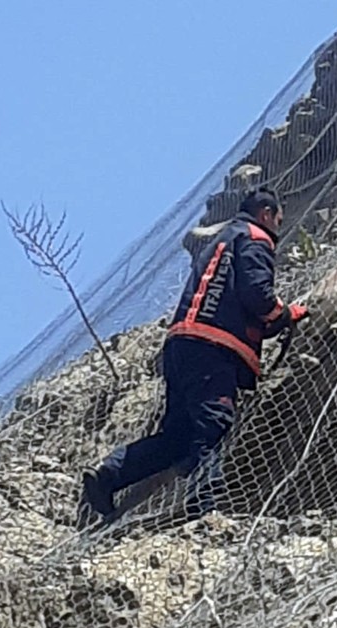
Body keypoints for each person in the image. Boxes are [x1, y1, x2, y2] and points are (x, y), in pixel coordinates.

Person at [78, 185, 308, 526]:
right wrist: (286, 314)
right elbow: (257, 295)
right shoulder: (256, 238)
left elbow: (225, 294)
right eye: (278, 219)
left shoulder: (217, 244)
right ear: (265, 214)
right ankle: (204, 510)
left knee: (178, 437)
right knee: (213, 424)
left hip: (182, 344)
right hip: (214, 348)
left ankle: (109, 475)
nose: (278, 226)